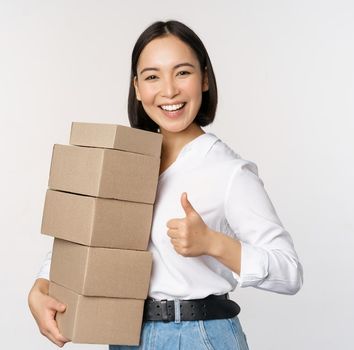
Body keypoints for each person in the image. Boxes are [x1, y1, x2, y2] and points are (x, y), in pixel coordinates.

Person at [27, 20, 303, 349]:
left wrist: (213, 243)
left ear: (203, 79)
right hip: (126, 333)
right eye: (152, 76)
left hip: (198, 336)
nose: (169, 90)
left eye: (182, 72)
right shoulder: (126, 160)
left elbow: (290, 273)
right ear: (137, 87)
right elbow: (87, 236)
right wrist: (42, 285)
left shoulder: (229, 171)